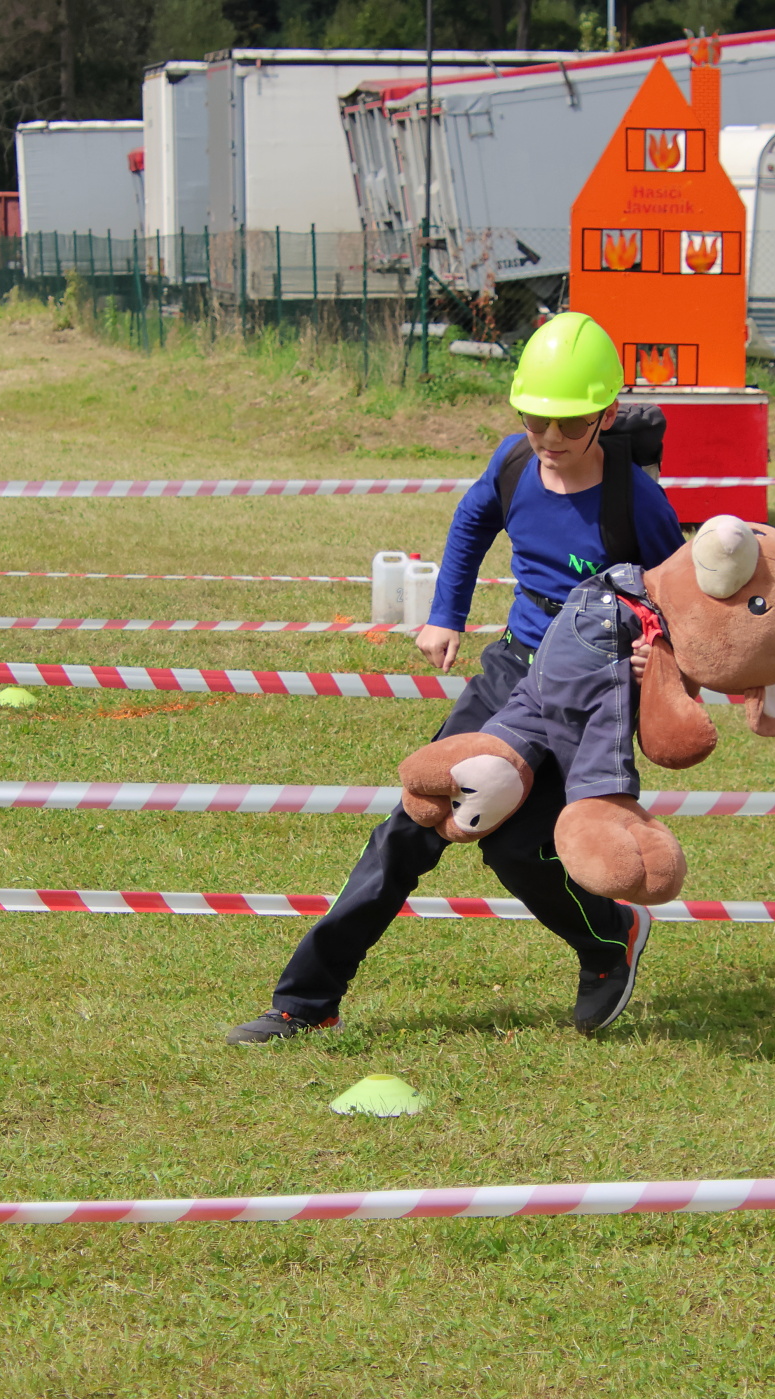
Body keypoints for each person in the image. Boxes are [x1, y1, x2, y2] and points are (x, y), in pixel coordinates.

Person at [227, 313, 687, 1041]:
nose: (550, 438)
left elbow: (676, 599)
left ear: (605, 415)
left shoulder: (638, 502)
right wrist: (446, 614)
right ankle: (305, 1002)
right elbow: (473, 523)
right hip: (512, 668)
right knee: (414, 824)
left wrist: (655, 657)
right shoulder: (514, 464)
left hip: (588, 689)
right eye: (535, 419)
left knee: (514, 846)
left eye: (569, 423)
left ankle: (609, 939)